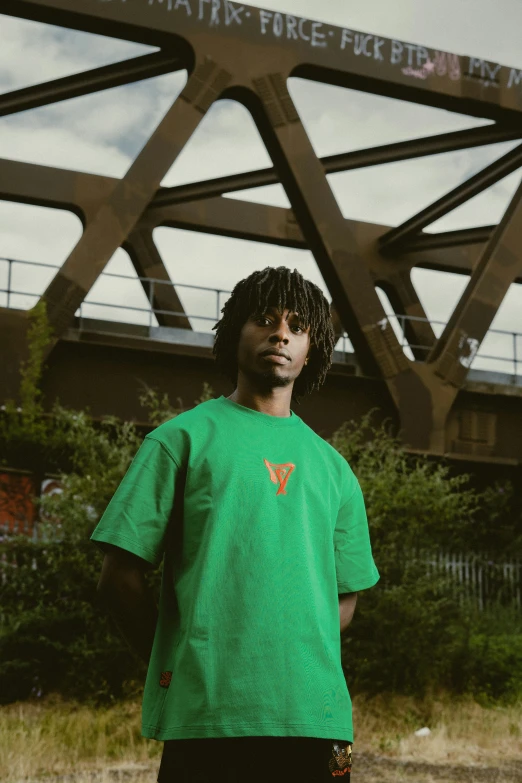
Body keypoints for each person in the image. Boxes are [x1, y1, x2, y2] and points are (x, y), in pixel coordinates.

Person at [91, 266, 379, 782]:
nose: (281, 333)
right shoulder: (179, 441)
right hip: (209, 717)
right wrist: (180, 659)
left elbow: (344, 599)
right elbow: (119, 579)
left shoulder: (335, 469)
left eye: (298, 326)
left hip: (315, 718)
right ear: (233, 335)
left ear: (312, 349)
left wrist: (285, 651)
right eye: (265, 319)